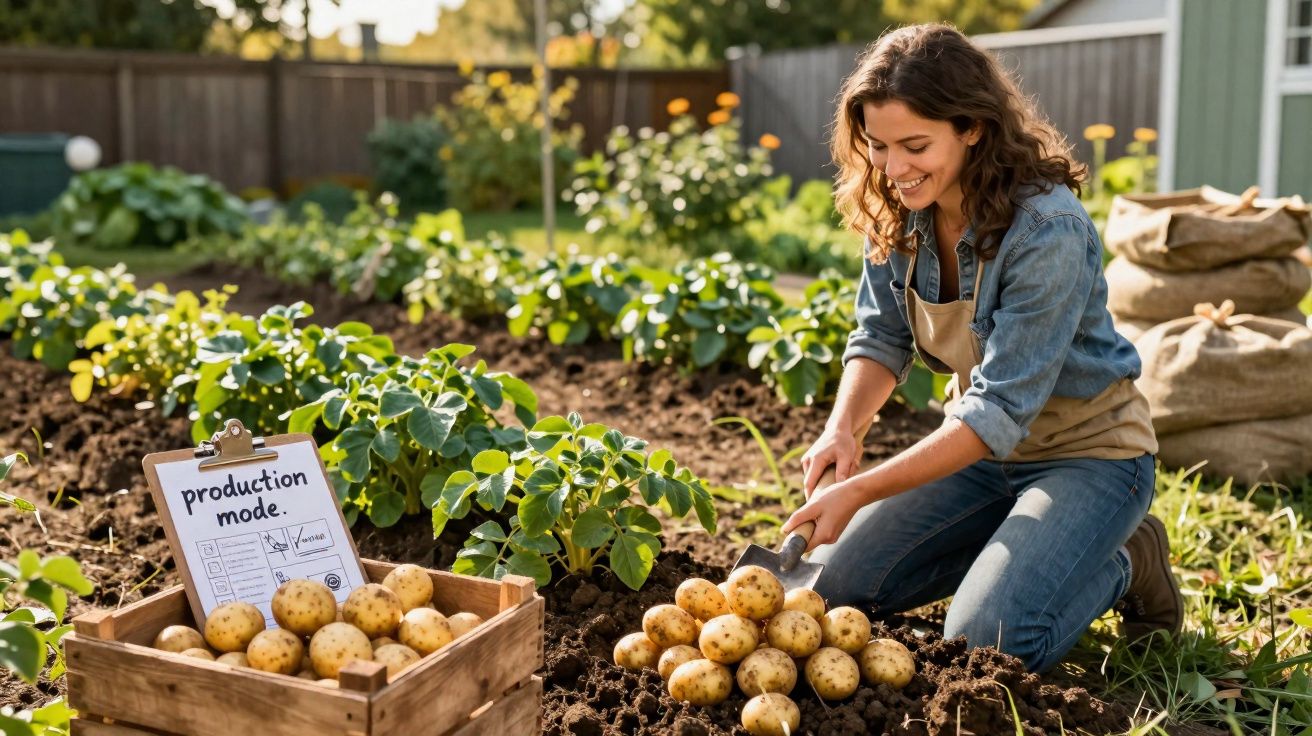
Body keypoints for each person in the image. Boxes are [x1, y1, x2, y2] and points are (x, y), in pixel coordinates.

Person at [779, 23, 1183, 673]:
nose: (894, 168)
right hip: (979, 457)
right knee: (837, 590)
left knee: (985, 645)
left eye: (915, 145)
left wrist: (856, 493)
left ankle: (1123, 560)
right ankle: (1021, 551)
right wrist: (842, 429)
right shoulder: (900, 207)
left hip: (1088, 456)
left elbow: (998, 410)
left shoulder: (1045, 227)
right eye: (879, 146)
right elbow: (881, 335)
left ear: (972, 127)